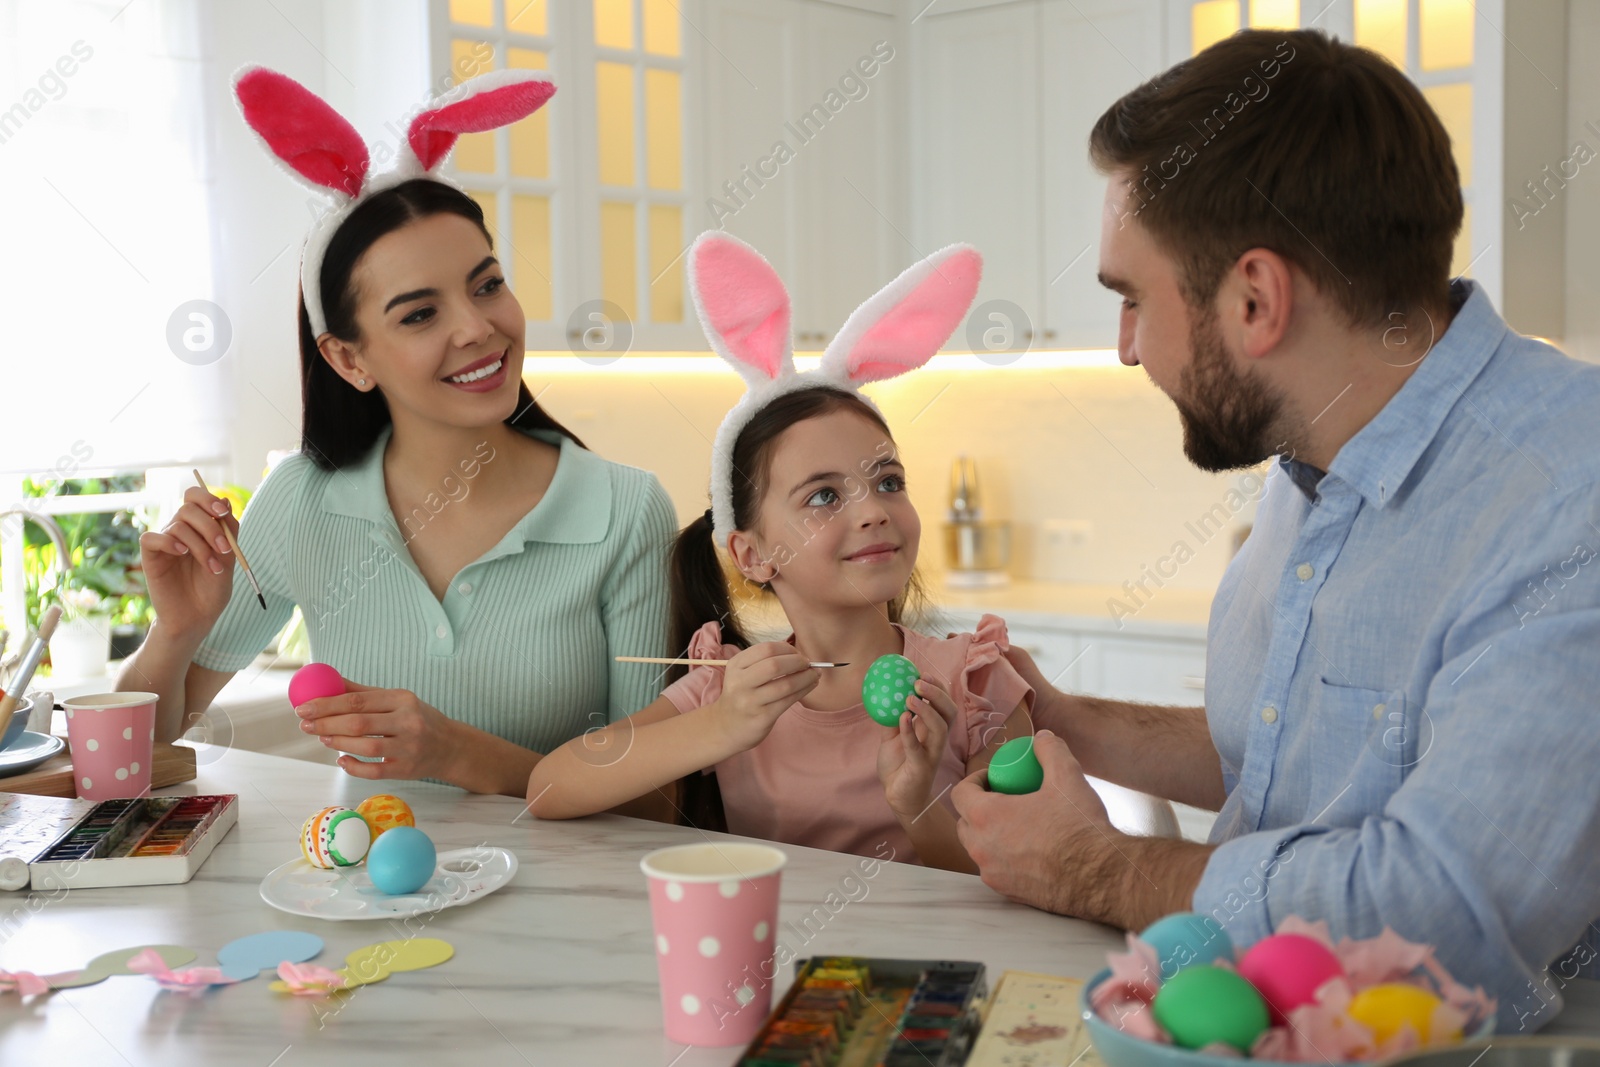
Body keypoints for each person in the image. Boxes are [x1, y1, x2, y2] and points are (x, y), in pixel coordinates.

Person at [950, 28, 1600, 1031]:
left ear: (1255, 298)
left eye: (1131, 298)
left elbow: (1441, 918)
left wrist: (1091, 868)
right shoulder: (1316, 453)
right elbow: (1302, 750)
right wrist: (1070, 719)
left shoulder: (1570, 493)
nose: (1125, 349)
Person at [117, 67, 675, 798]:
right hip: (364, 902)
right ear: (348, 358)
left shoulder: (626, 512)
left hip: (566, 913)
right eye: (420, 314)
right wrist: (179, 629)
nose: (479, 329)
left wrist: (454, 751)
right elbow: (129, 755)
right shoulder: (304, 503)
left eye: (487, 284)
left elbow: (657, 800)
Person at [528, 233, 1033, 871]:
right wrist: (721, 728)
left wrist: (920, 807)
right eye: (824, 497)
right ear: (752, 555)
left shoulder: (976, 682)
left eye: (888, 482)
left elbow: (1026, 873)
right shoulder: (729, 690)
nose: (873, 508)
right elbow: (549, 787)